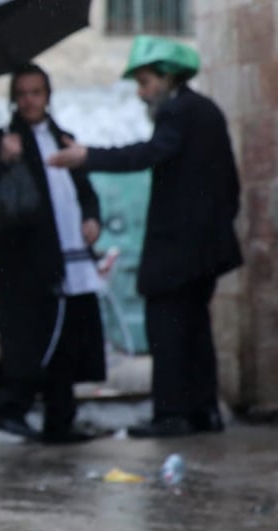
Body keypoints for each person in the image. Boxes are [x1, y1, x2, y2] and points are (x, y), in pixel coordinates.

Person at [49, 36, 242, 438]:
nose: (141, 93)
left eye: (145, 81)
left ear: (167, 78)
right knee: (194, 329)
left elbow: (148, 154)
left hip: (178, 250)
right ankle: (203, 412)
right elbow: (230, 185)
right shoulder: (205, 111)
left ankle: (171, 414)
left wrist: (89, 156)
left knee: (168, 328)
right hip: (205, 249)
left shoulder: (176, 112)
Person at [0, 63, 111, 444]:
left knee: (65, 336)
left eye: (36, 92)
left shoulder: (64, 138)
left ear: (47, 96)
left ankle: (60, 419)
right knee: (27, 336)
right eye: (23, 93)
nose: (30, 100)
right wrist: (3, 160)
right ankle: (10, 410)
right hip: (23, 261)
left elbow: (85, 192)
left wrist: (91, 220)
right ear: (14, 99)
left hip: (68, 255)